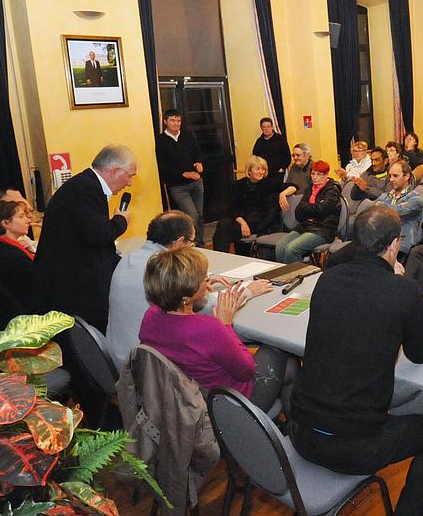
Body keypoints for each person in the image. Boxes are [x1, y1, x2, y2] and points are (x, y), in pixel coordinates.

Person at [290, 206, 423, 516]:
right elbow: (420, 353)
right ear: (393, 245)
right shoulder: (403, 291)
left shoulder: (327, 280)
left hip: (301, 431)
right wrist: (402, 286)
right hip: (354, 447)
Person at [138, 247, 293, 414]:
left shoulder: (150, 316)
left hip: (185, 398)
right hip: (228, 404)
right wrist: (226, 325)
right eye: (204, 279)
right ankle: (288, 425)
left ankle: (290, 422)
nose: (208, 282)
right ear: (186, 296)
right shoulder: (209, 328)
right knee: (277, 349)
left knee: (290, 369)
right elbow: (246, 371)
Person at [108, 211, 265, 369]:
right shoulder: (164, 270)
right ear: (179, 242)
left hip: (121, 357)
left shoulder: (129, 258)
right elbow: (215, 307)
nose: (192, 247)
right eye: (191, 242)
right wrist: (248, 291)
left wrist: (199, 280)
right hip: (151, 369)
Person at [35, 144, 134, 331]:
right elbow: (98, 235)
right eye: (130, 175)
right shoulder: (87, 189)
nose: (129, 183)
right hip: (72, 283)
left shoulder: (85, 184)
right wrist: (121, 220)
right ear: (114, 171)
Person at [0, 199, 37, 327]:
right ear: (5, 223)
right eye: (21, 216)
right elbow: (38, 288)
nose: (27, 220)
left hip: (10, 314)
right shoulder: (12, 256)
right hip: (20, 321)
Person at [211, 156, 283, 254]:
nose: (261, 172)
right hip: (242, 220)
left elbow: (292, 186)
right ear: (249, 170)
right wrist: (243, 223)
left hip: (259, 222)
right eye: (257, 169)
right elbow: (233, 207)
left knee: (229, 229)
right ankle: (220, 256)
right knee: (223, 224)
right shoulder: (238, 185)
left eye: (263, 169)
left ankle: (237, 254)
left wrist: (283, 194)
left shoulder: (269, 183)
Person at [275, 160, 341, 263]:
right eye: (313, 174)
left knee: (292, 249)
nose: (314, 177)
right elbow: (298, 213)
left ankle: (297, 273)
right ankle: (283, 273)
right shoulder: (309, 188)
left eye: (319, 174)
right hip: (305, 226)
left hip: (322, 229)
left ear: (326, 175)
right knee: (280, 246)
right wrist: (313, 209)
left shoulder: (332, 190)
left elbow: (322, 211)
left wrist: (306, 208)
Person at [155, 109, 205, 242]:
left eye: (178, 121)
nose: (176, 123)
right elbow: (164, 166)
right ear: (165, 122)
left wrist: (199, 162)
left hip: (196, 182)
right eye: (172, 120)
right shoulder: (161, 141)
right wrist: (184, 174)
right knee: (191, 215)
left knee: (199, 214)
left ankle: (200, 243)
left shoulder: (188, 136)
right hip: (178, 186)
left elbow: (197, 153)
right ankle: (192, 244)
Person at [376, 161, 423, 255]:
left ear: (407, 176)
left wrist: (382, 206)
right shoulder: (385, 196)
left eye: (395, 176)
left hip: (402, 246)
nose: (391, 179)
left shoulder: (416, 198)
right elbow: (373, 211)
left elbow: (400, 212)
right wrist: (396, 207)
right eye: (390, 176)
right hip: (383, 242)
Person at [279, 142, 313, 210]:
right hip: (293, 200)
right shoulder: (293, 167)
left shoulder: (313, 167)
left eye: (298, 155)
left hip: (307, 202)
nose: (295, 158)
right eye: (293, 155)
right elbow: (288, 184)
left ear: (306, 156)